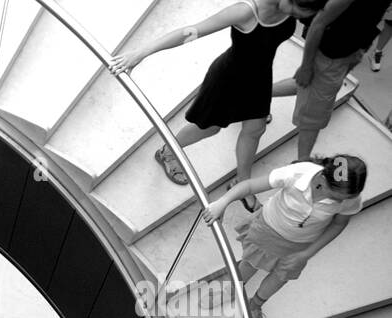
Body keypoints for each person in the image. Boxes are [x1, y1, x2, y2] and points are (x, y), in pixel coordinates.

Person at [111, 0, 326, 212]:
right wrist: (140, 53)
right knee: (209, 128)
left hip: (259, 76)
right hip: (228, 79)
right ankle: (167, 151)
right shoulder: (246, 11)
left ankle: (243, 185)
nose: (302, 17)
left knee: (255, 129)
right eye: (301, 9)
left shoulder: (290, 11)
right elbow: (191, 31)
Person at [202, 154, 366, 318]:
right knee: (249, 264)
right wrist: (223, 202)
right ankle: (230, 290)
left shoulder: (349, 198)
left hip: (300, 245)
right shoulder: (297, 173)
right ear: (323, 179)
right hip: (268, 230)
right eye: (337, 197)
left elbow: (339, 224)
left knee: (280, 277)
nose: (341, 201)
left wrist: (306, 254)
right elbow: (250, 185)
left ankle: (255, 306)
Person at [270, 0, 392, 160]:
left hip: (352, 48)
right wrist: (306, 66)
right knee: (313, 118)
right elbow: (318, 24)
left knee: (308, 87)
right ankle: (302, 163)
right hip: (330, 56)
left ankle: (250, 94)